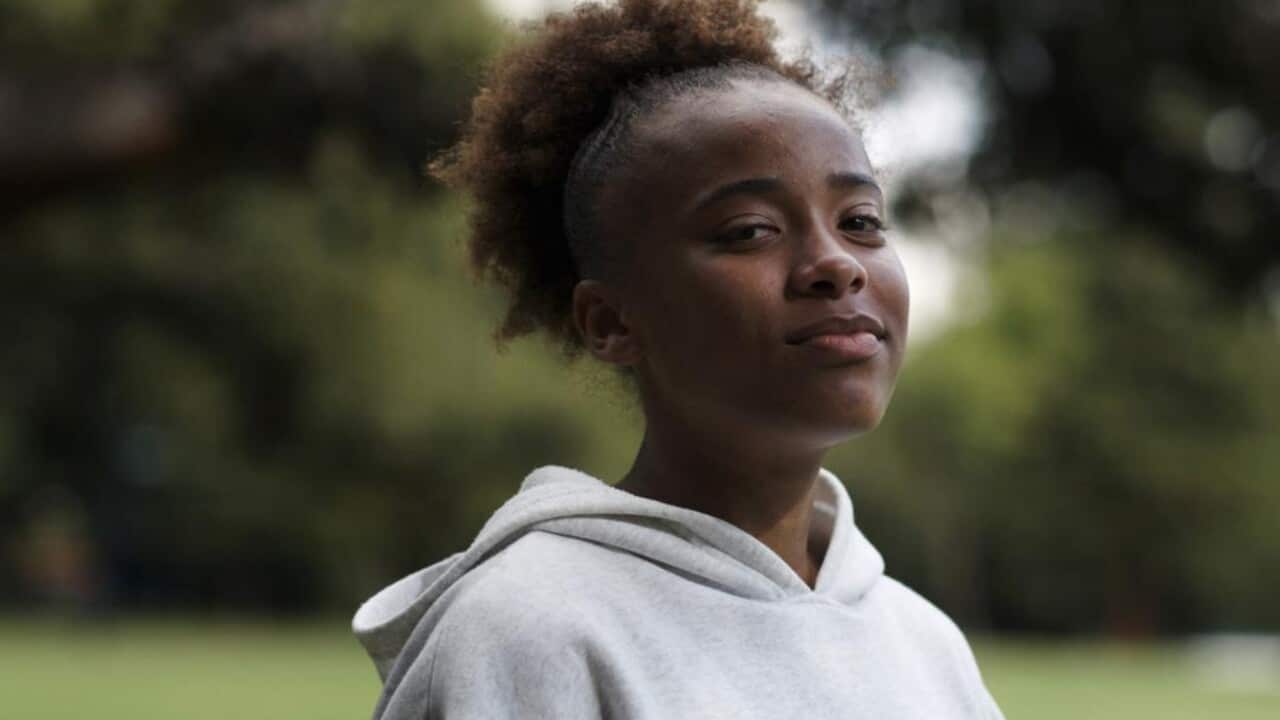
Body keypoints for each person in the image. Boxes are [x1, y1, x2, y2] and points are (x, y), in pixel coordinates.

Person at [352, 0, 1005, 717]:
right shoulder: (528, 632)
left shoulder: (922, 643)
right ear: (610, 322)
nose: (835, 264)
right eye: (751, 230)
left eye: (860, 222)